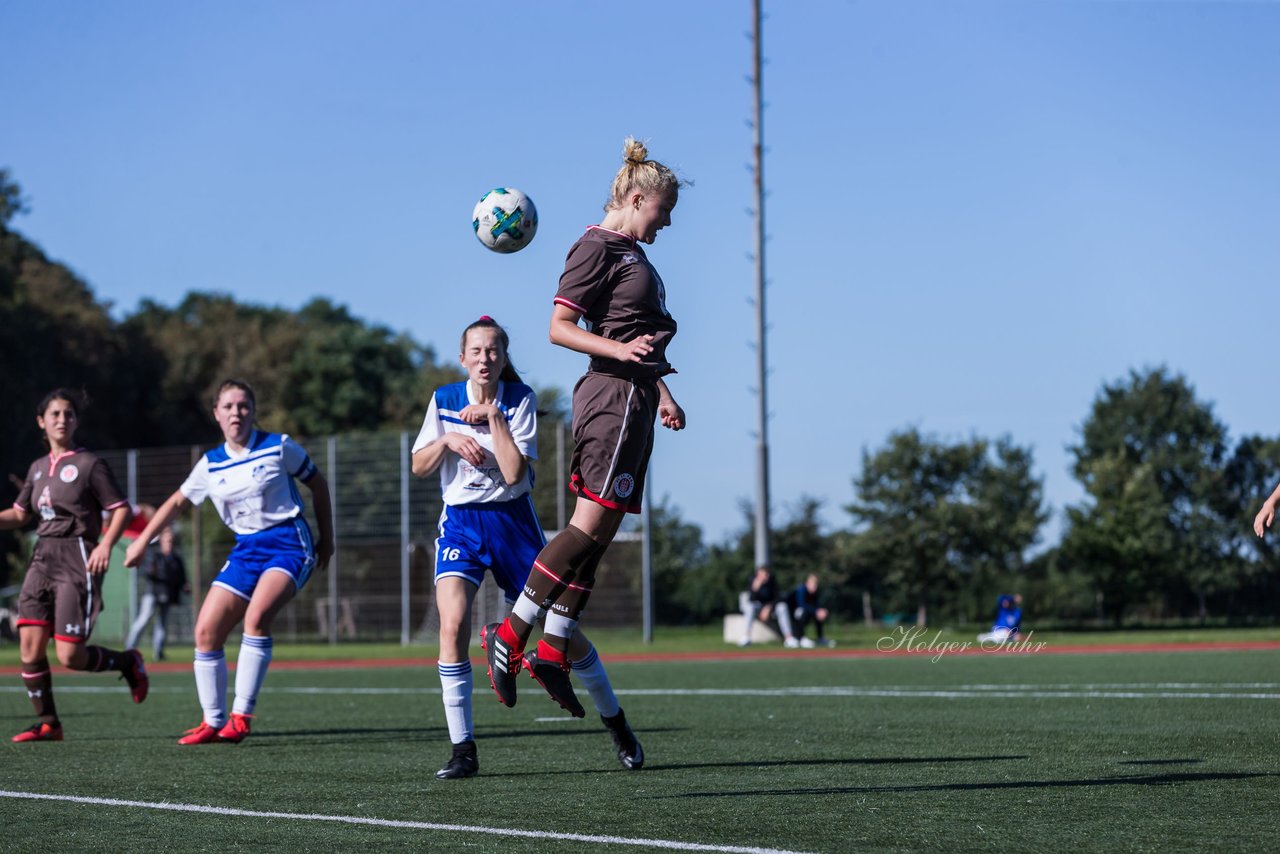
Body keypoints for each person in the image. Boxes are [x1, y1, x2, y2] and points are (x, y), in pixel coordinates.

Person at [481, 137, 686, 728]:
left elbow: (636, 337)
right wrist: (625, 355)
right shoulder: (597, 246)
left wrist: (663, 393)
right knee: (587, 525)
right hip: (612, 399)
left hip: (636, 399)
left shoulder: (630, 254)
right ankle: (513, 629)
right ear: (637, 197)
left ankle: (553, 646)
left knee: (600, 534)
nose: (667, 222)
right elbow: (560, 327)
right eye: (663, 210)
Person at [412, 316, 643, 777]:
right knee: (452, 625)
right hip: (460, 525)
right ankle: (463, 751)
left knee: (565, 634)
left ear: (504, 358)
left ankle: (617, 724)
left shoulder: (519, 401)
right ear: (462, 358)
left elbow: (515, 474)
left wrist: (493, 418)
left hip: (513, 526)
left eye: (494, 351)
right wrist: (447, 439)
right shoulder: (444, 400)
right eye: (476, 351)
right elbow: (419, 465)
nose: (485, 359)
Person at [125, 379, 334, 745]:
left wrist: (327, 539)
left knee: (256, 618)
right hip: (245, 550)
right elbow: (176, 503)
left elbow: (318, 484)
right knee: (205, 631)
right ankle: (213, 721)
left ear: (252, 411)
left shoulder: (279, 446)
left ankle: (240, 717)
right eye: (228, 406)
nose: (236, 412)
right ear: (216, 414)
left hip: (288, 544)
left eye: (243, 406)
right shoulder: (210, 464)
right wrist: (143, 541)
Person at [0, 388, 149, 742]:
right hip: (41, 558)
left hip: (77, 557)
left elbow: (121, 508)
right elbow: (20, 514)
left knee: (70, 656)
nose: (62, 420)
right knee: (29, 648)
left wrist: (107, 545)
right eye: (54, 414)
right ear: (42, 421)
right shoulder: (37, 469)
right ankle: (49, 723)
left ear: (76, 421)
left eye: (68, 414)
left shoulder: (89, 464)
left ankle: (128, 662)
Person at [124, 524, 188, 661]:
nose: (169, 543)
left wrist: (184, 586)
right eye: (166, 540)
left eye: (171, 540)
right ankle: (130, 648)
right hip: (153, 593)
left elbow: (182, 577)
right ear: (162, 541)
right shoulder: (154, 556)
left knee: (162, 624)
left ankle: (158, 652)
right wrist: (150, 571)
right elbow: (146, 572)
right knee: (144, 619)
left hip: (169, 594)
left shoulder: (176, 559)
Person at [780, 573, 834, 649]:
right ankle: (801, 638)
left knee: (817, 614)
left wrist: (820, 611)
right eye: (813, 584)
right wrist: (816, 611)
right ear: (807, 583)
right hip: (790, 611)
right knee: (802, 612)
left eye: (816, 584)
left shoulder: (814, 593)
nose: (815, 587)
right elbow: (801, 605)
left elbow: (816, 605)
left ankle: (820, 638)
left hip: (801, 611)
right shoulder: (801, 590)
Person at [737, 565, 779, 646]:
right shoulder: (752, 581)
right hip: (757, 607)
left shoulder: (772, 582)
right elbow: (751, 600)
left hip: (770, 607)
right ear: (758, 574)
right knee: (750, 608)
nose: (766, 577)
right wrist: (755, 588)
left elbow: (778, 598)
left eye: (767, 575)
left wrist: (768, 607)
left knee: (782, 607)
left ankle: (789, 638)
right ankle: (746, 636)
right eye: (764, 575)